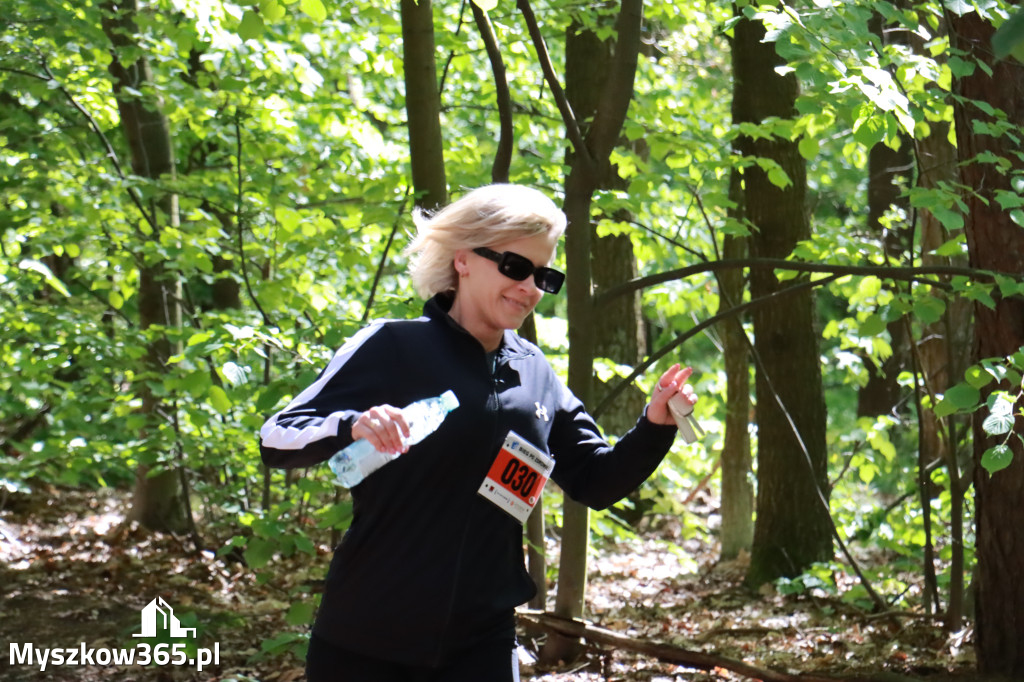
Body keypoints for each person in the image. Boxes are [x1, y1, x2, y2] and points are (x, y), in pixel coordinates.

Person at [258, 184, 698, 682]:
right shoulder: (393, 346)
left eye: (544, 276)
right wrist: (351, 424)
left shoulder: (534, 372)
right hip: (367, 638)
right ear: (463, 260)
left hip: (482, 645)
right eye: (515, 267)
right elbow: (277, 436)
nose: (531, 287)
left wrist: (656, 423)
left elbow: (597, 480)